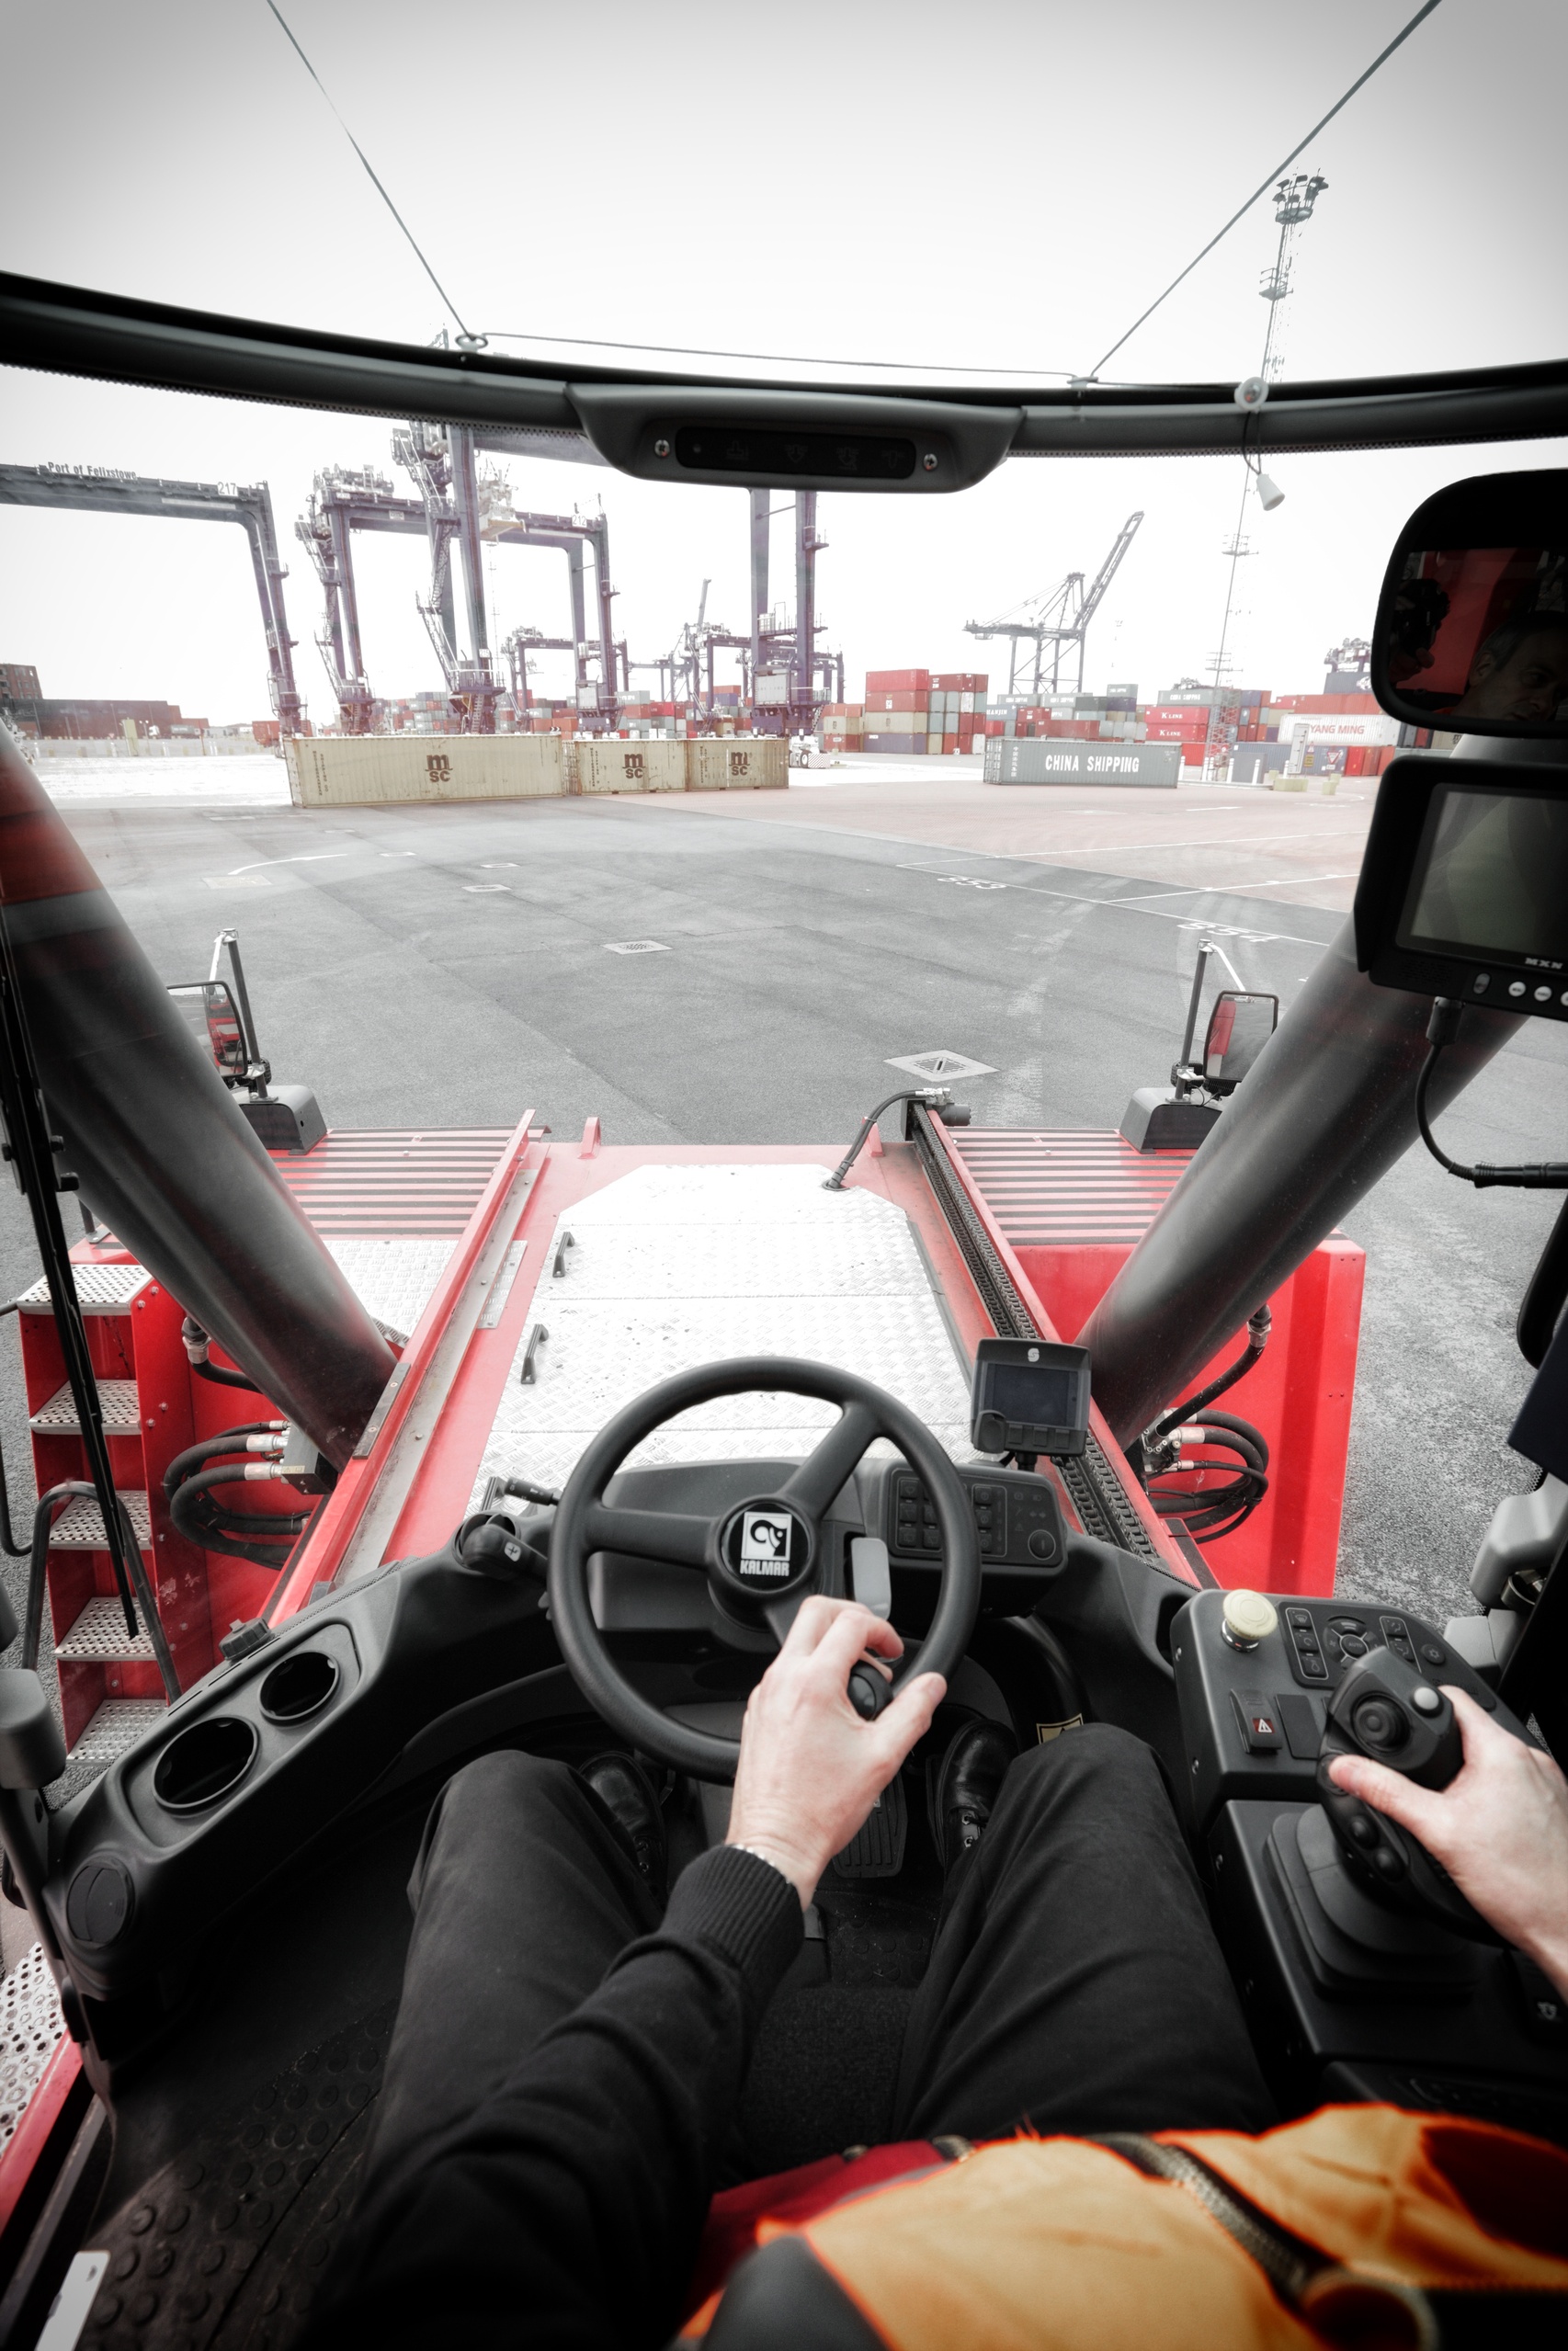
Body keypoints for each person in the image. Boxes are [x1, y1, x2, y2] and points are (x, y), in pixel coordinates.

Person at [303, 1596, 1568, 2349]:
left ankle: (634, 1857)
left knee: (504, 1797)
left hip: (727, 2276)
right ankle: (982, 1859)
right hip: (1166, 2222)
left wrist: (771, 1850)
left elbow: (469, 2254)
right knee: (1095, 1769)